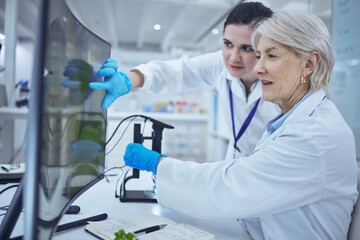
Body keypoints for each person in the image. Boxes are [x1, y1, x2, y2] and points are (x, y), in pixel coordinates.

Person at [123, 12, 359, 239]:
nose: (257, 68)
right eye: (259, 55)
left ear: (309, 63)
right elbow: (181, 71)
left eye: (271, 56)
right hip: (252, 221)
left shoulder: (314, 136)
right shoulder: (296, 117)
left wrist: (159, 165)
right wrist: (132, 78)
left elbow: (232, 188)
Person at [90, 2, 280, 160]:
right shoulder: (218, 65)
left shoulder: (284, 83)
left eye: (246, 48)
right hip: (235, 163)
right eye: (227, 44)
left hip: (274, 171)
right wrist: (130, 80)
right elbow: (174, 72)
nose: (233, 58)